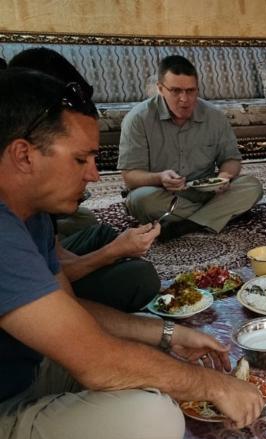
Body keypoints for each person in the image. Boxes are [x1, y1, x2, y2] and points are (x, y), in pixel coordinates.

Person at [0, 69, 264, 439]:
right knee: (156, 419)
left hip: (22, 367)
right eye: (80, 160)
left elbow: (70, 309)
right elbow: (98, 362)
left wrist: (166, 335)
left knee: (157, 365)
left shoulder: (32, 215)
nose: (93, 174)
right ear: (24, 155)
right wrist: (211, 385)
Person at [9, 47, 160, 312]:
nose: (94, 176)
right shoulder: (10, 223)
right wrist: (112, 253)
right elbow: (70, 319)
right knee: (139, 277)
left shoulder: (36, 208)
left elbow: (57, 268)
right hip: (38, 306)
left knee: (95, 227)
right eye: (79, 160)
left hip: (49, 269)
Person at [118, 55, 263, 241]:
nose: (184, 99)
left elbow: (231, 159)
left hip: (207, 194)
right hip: (164, 195)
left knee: (252, 186)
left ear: (197, 89)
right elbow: (130, 177)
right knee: (140, 200)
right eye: (176, 91)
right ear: (160, 89)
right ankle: (221, 215)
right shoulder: (138, 119)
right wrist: (160, 178)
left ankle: (186, 225)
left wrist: (224, 176)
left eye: (190, 91)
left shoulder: (214, 117)